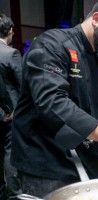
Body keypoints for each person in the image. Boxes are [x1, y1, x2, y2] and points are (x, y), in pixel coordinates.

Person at [11, 0, 98, 197]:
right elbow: (52, 100)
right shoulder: (52, 44)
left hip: (75, 154)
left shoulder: (97, 58)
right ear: (96, 19)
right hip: (43, 158)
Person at [0, 14, 22, 200]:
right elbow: (24, 87)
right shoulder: (10, 53)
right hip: (11, 114)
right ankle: (15, 194)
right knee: (10, 154)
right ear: (10, 31)